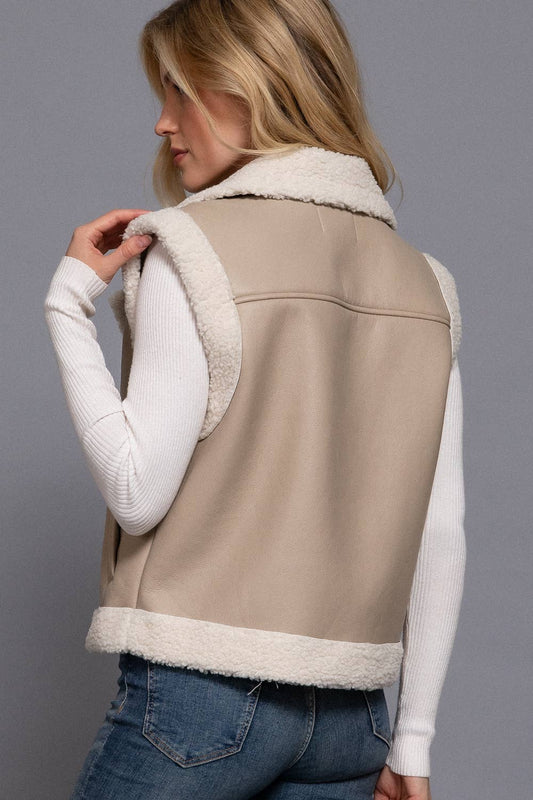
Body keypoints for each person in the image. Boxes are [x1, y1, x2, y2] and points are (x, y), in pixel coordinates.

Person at [43, 1, 466, 798]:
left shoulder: (192, 250)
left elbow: (136, 492)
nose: (163, 122)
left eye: (180, 89)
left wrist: (67, 306)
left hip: (201, 703)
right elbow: (438, 531)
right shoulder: (425, 283)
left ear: (252, 86)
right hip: (352, 723)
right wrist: (411, 740)